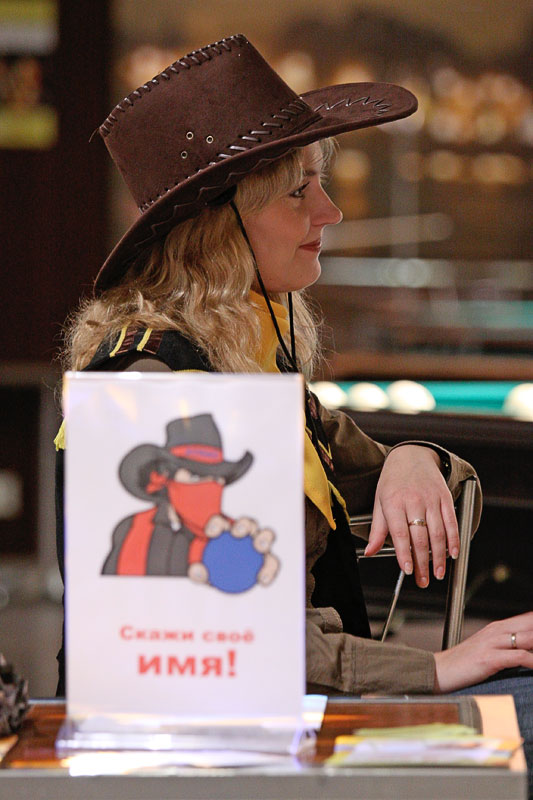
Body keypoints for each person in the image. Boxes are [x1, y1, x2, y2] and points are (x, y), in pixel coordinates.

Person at [56, 34, 533, 785]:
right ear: (220, 227)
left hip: (282, 719)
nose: (331, 211)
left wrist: (413, 460)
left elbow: (436, 486)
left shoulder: (242, 359)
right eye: (298, 192)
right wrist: (436, 668)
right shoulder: (150, 382)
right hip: (198, 754)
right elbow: (224, 640)